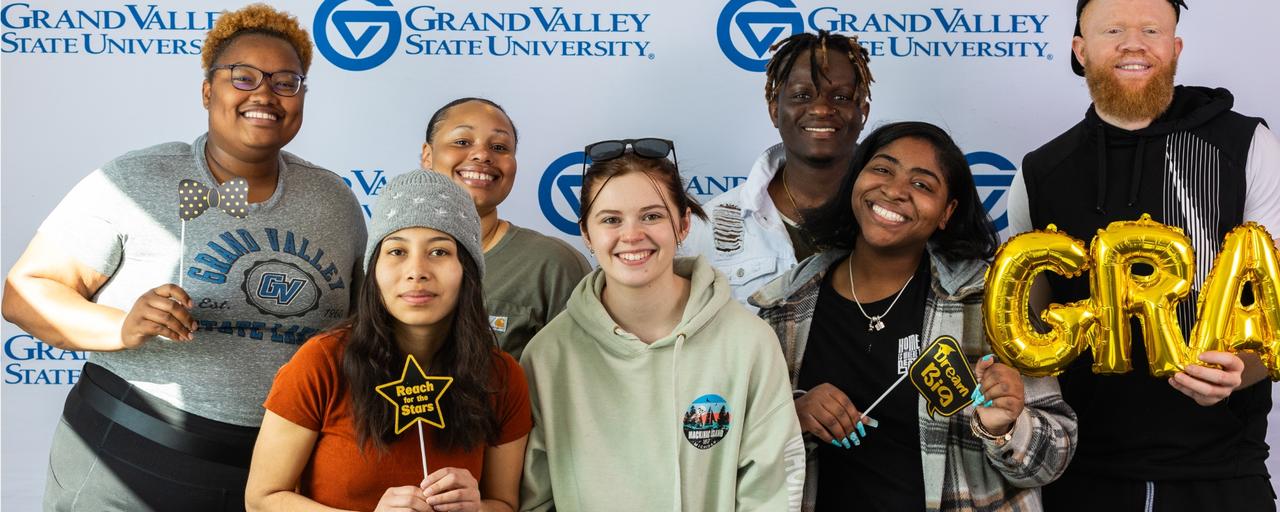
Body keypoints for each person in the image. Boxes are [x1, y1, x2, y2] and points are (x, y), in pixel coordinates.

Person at [0, 4, 366, 510]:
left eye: (286, 81)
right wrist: (122, 326)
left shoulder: (335, 202)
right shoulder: (136, 180)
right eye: (243, 77)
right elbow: (26, 293)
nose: (264, 93)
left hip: (274, 477)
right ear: (206, 91)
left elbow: (358, 329)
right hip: (127, 455)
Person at [1005, 0, 1280, 509]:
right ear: (1080, 50)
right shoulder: (1040, 172)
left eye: (1151, 29)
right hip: (1084, 474)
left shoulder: (1246, 146)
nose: (1134, 43)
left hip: (1222, 470)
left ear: (1174, 49)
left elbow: (1277, 311)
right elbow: (1025, 333)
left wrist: (1243, 368)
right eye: (1113, 29)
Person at [755, 122, 1077, 511]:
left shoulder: (991, 303)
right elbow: (740, 451)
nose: (894, 191)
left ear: (947, 212)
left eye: (922, 185)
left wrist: (1008, 426)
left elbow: (1053, 460)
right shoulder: (785, 304)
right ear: (855, 179)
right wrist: (794, 415)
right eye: (882, 169)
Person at [519, 139, 805, 511]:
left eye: (651, 215)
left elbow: (772, 492)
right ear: (587, 234)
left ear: (683, 224)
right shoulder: (547, 356)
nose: (632, 235)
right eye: (610, 220)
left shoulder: (747, 342)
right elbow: (535, 499)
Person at [246, 171, 530, 512]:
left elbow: (504, 504)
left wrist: (478, 509)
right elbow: (261, 499)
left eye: (439, 252)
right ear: (374, 269)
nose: (416, 271)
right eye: (396, 251)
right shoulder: (322, 362)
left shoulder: (502, 377)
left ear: (467, 270)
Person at [683, 30, 874, 308]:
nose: (821, 109)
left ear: (863, 113)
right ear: (775, 111)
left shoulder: (892, 217)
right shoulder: (714, 224)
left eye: (841, 98)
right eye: (801, 95)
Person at [421, 98, 590, 360]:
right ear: (427, 156)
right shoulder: (386, 260)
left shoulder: (553, 265)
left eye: (499, 147)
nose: (482, 155)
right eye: (462, 142)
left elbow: (581, 378)